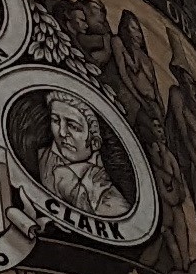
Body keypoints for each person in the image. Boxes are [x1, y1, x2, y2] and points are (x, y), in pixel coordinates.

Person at [37, 90, 135, 224]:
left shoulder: (105, 192)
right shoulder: (41, 158)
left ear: (94, 142)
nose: (62, 132)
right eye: (55, 120)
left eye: (73, 126)